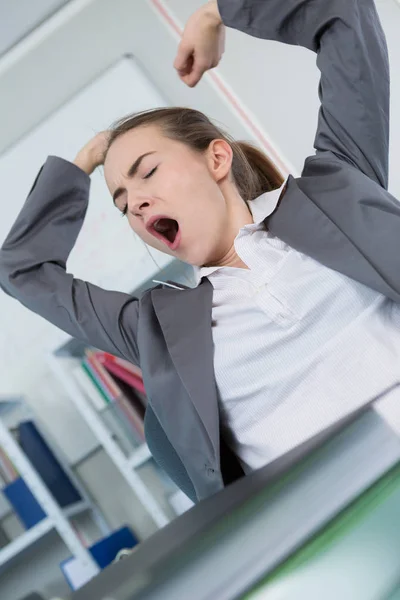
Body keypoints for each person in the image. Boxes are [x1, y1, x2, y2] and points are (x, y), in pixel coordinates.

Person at [0, 0, 398, 503]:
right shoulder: (157, 331)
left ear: (216, 157)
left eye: (147, 172)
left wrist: (214, 13)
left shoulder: (335, 190)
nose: (138, 202)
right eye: (123, 203)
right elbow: (22, 268)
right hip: (339, 526)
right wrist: (86, 159)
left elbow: (345, 16)